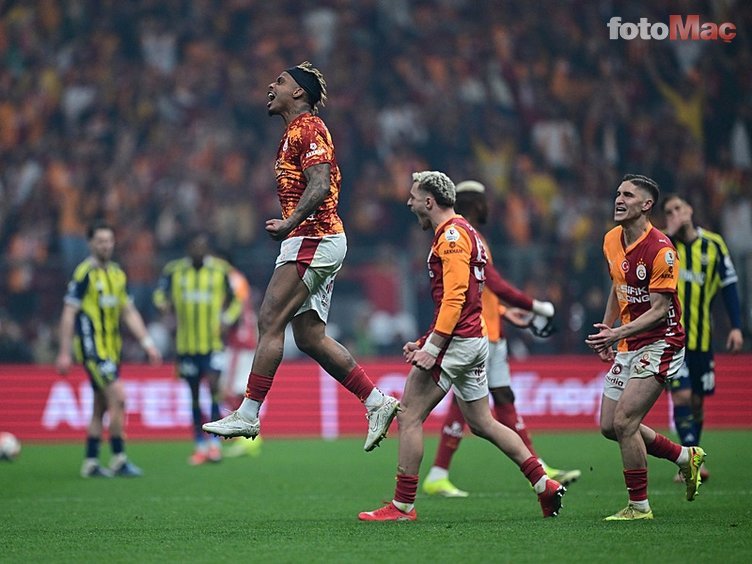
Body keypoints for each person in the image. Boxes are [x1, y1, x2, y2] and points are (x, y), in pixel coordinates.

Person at [202, 61, 399, 451]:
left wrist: (290, 222)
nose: (270, 86)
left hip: (314, 236)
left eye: (280, 81)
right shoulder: (292, 133)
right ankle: (377, 402)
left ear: (298, 92)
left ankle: (248, 413)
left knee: (269, 318)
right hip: (314, 238)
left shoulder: (308, 128)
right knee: (309, 337)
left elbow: (321, 183)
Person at [358, 171, 566, 522]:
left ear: (429, 201)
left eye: (413, 197)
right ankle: (543, 483)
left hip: (457, 341)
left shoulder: (451, 236)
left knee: (409, 415)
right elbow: (461, 298)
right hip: (472, 339)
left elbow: (455, 298)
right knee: (483, 422)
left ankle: (403, 506)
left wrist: (433, 347)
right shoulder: (467, 232)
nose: (408, 203)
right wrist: (424, 340)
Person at [423, 180, 581, 498]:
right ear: (472, 203)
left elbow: (481, 290)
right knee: (472, 407)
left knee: (498, 399)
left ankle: (534, 466)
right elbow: (491, 283)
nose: (488, 207)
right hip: (478, 334)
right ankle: (440, 474)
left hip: (490, 331)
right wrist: (535, 306)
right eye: (483, 201)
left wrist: (506, 313)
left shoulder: (468, 235)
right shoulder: (467, 236)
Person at [586, 174, 706, 521]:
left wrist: (617, 333)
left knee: (625, 421)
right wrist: (608, 328)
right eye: (618, 194)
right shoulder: (611, 239)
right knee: (609, 426)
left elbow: (659, 310)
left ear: (646, 205)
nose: (619, 200)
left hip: (661, 342)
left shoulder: (661, 250)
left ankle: (639, 506)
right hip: (629, 341)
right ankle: (685, 457)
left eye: (628, 195)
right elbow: (618, 285)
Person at [56, 219, 161, 478]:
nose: (105, 245)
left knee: (100, 406)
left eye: (108, 241)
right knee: (119, 397)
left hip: (112, 350)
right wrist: (64, 352)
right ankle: (118, 458)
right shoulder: (84, 274)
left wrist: (148, 343)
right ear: (90, 244)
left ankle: (91, 462)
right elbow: (69, 313)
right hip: (92, 349)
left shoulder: (117, 274)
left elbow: (128, 311)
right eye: (100, 241)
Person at [662, 194, 744, 482]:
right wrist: (668, 238)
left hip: (702, 338)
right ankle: (689, 461)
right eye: (668, 211)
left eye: (678, 208)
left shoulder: (714, 244)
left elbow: (729, 285)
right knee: (682, 395)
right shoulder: (663, 246)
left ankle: (691, 458)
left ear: (690, 209)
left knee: (696, 402)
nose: (675, 214)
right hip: (672, 339)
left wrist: (736, 326)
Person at [153, 232, 242, 465]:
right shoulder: (174, 271)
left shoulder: (220, 270)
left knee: (213, 388)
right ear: (188, 248)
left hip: (213, 344)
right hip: (186, 345)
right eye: (194, 246)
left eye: (202, 246)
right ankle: (199, 444)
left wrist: (227, 319)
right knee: (193, 395)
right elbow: (159, 294)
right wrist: (163, 305)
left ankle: (214, 444)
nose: (198, 250)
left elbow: (236, 301)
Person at [221, 263, 263, 458]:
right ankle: (248, 438)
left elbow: (237, 307)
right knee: (239, 390)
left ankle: (246, 439)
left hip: (239, 342)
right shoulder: (239, 279)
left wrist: (223, 322)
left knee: (231, 390)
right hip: (246, 340)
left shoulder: (229, 278)